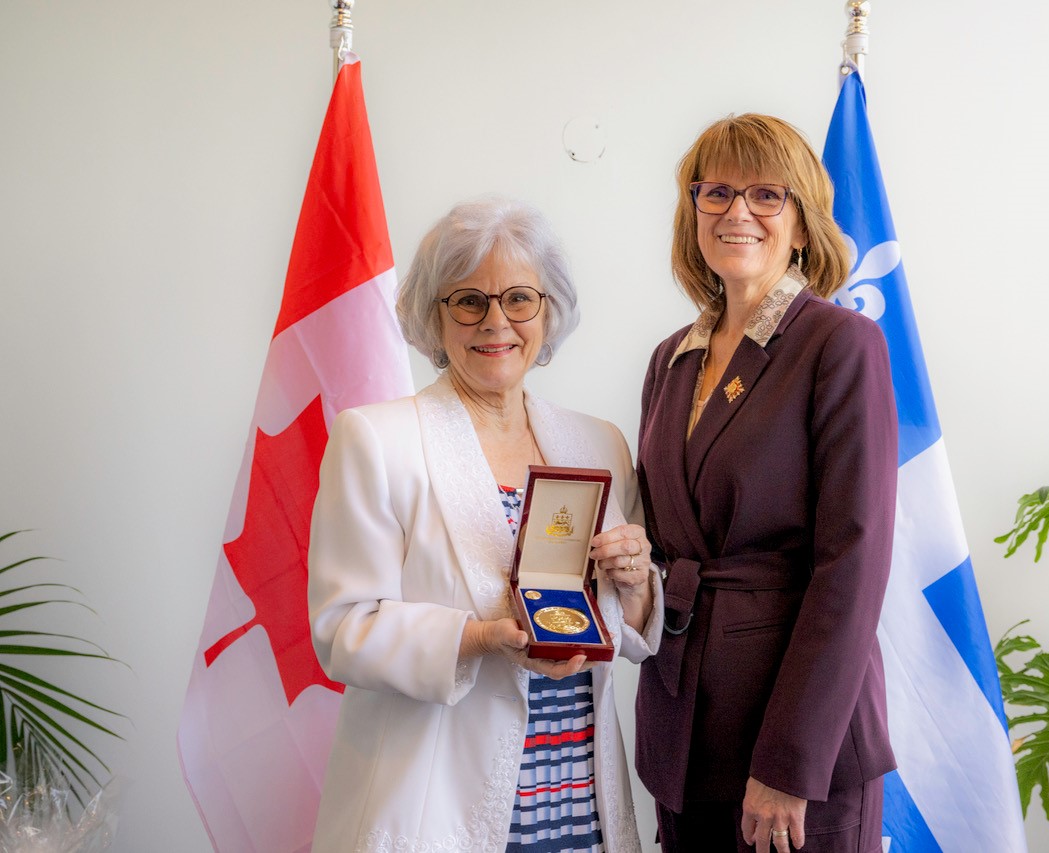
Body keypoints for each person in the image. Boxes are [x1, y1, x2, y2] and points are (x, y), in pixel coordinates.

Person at [307, 197, 662, 853]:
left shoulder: (599, 443)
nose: (495, 321)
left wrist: (636, 582)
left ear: (547, 310)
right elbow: (342, 628)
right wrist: (477, 637)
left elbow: (628, 625)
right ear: (433, 316)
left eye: (519, 298)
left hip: (577, 798)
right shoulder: (377, 439)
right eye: (468, 300)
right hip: (435, 806)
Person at [633, 114, 898, 853]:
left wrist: (790, 763)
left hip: (795, 746)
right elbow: (658, 541)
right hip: (681, 732)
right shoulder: (669, 360)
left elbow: (854, 565)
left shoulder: (841, 344)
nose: (735, 212)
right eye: (715, 191)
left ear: (804, 223)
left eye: (764, 194)